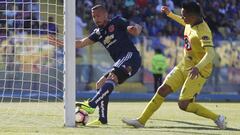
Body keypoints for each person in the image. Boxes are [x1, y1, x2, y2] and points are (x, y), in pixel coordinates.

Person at [122, 2, 227, 129]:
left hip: (199, 70)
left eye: (184, 15)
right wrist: (170, 14)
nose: (182, 18)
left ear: (193, 16)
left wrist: (197, 67)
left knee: (183, 104)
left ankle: (217, 118)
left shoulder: (203, 31)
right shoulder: (190, 23)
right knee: (162, 89)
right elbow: (183, 23)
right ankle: (141, 121)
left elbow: (211, 54)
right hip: (185, 64)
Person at [49, 4, 142, 126]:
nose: (95, 19)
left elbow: (137, 28)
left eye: (98, 16)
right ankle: (102, 119)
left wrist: (135, 29)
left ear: (105, 15)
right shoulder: (98, 33)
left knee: (112, 76)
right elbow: (82, 43)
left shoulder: (117, 21)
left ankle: (92, 104)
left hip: (131, 57)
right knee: (100, 83)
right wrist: (63, 43)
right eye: (93, 16)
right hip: (121, 61)